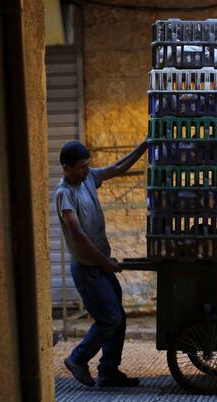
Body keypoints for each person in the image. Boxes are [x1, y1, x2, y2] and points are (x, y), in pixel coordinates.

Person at [56, 139, 147, 388]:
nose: (87, 170)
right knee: (109, 319)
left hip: (101, 264)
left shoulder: (87, 179)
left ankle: (108, 371)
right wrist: (105, 263)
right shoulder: (64, 194)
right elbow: (79, 237)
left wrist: (145, 145)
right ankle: (77, 359)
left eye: (88, 165)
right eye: (81, 167)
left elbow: (118, 167)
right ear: (66, 167)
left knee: (119, 316)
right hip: (87, 269)